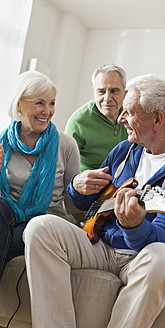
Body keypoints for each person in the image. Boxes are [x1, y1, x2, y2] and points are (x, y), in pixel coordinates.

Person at [23, 74, 165, 328]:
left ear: (157, 118)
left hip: (143, 255)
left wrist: (135, 226)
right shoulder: (125, 150)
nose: (120, 118)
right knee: (40, 227)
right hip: (101, 244)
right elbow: (87, 203)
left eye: (129, 112)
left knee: (163, 258)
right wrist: (77, 187)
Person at [0, 70, 80, 280]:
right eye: (39, 103)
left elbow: (74, 204)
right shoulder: (2, 144)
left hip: (44, 222)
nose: (47, 111)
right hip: (7, 219)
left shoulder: (66, 145)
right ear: (19, 104)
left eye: (51, 103)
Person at [64, 63, 128, 171]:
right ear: (94, 92)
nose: (107, 98)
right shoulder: (78, 122)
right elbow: (63, 164)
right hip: (92, 181)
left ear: (125, 93)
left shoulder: (132, 114)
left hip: (125, 178)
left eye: (114, 91)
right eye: (101, 91)